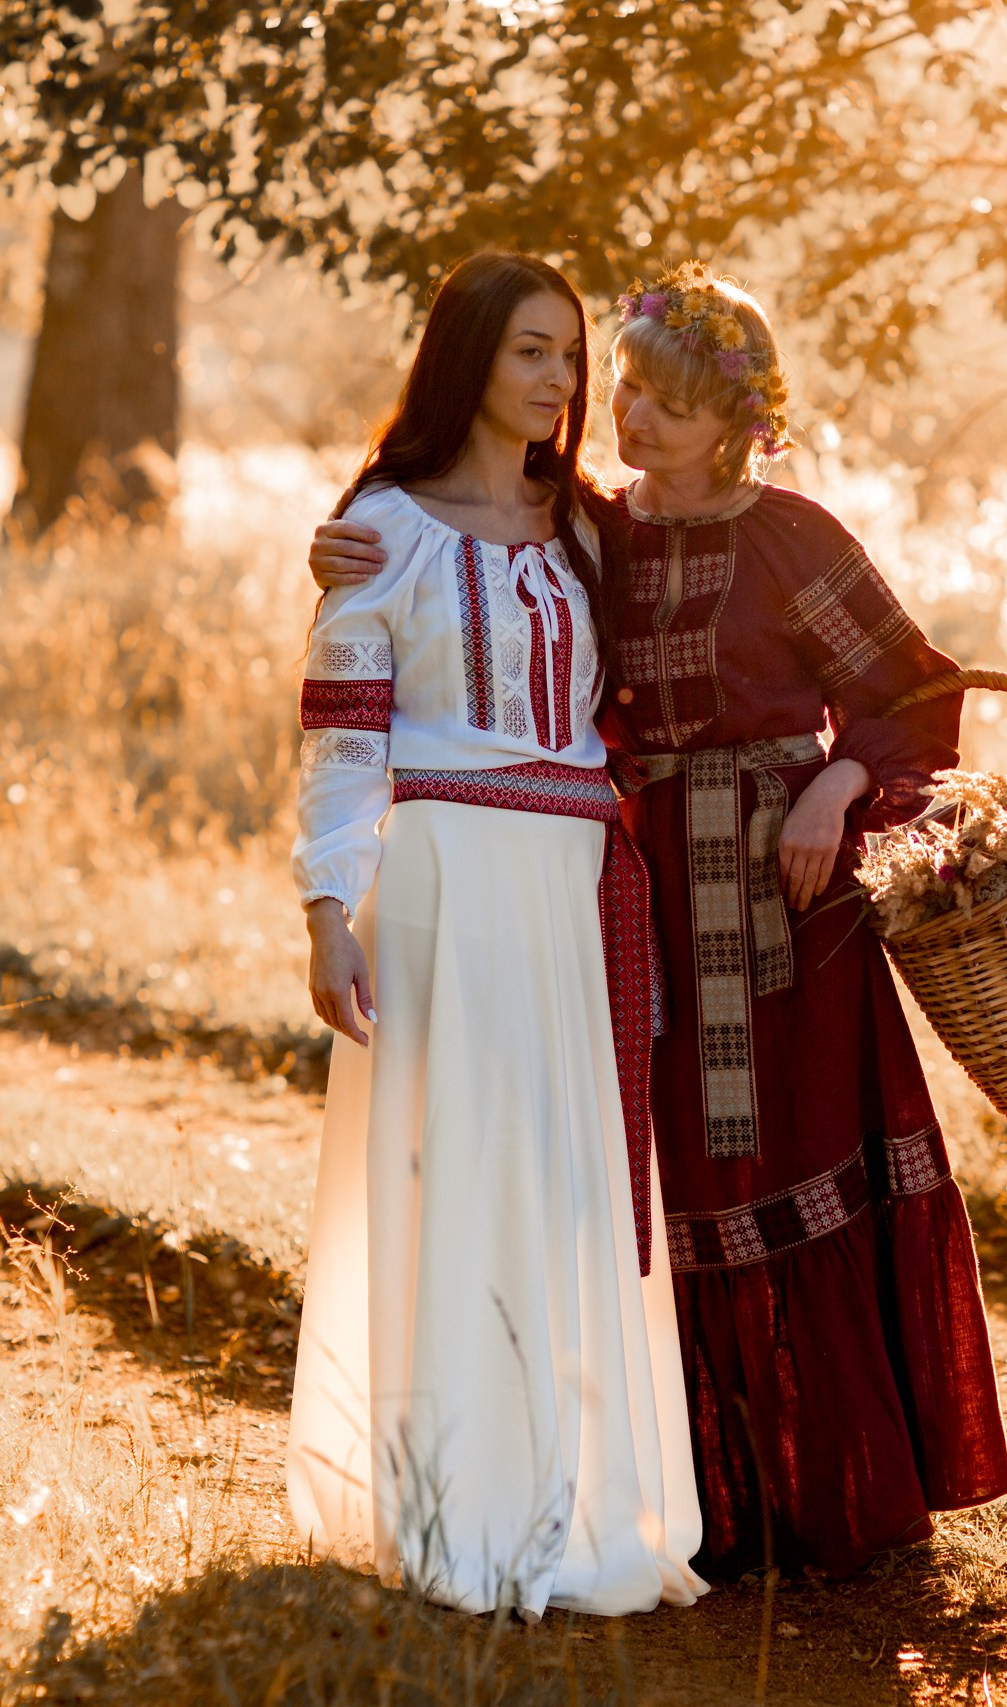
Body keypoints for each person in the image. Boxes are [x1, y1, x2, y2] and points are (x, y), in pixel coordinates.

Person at [311, 261, 1007, 1577]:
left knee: (798, 1152)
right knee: (667, 1174)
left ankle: (843, 1492)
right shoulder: (593, 530)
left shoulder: (794, 538)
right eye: (624, 388)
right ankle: (706, 1505)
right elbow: (459, 549)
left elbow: (915, 691)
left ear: (735, 422)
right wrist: (342, 550)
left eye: (665, 408)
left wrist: (840, 787)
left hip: (791, 894)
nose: (625, 417)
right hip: (636, 895)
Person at [286, 251, 704, 1617]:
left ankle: (575, 1507)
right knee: (457, 1178)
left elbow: (720, 545)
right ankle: (455, 1515)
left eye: (570, 356)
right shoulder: (384, 527)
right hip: (447, 883)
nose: (559, 380)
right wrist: (328, 911)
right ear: (467, 358)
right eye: (532, 351)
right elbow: (343, 737)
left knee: (566, 1181)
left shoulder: (587, 527)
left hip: (571, 886)